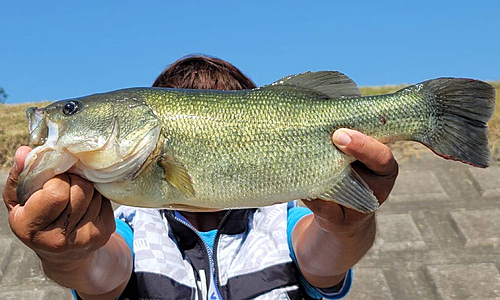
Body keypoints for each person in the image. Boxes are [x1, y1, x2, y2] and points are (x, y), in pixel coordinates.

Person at [3, 56, 399, 299]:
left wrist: (347, 226)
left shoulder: (280, 221)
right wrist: (69, 253)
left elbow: (327, 257)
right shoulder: (124, 224)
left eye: (71, 110)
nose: (60, 113)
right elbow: (98, 274)